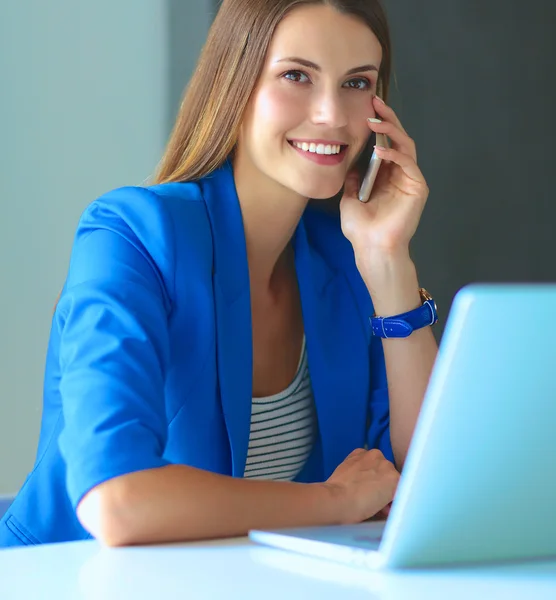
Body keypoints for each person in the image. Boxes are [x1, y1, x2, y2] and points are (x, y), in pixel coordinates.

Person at [0, 0, 438, 548]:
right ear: (237, 82)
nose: (331, 113)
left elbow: (428, 485)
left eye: (356, 83)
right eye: (296, 75)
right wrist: (333, 500)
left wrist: (389, 260)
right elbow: (117, 501)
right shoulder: (132, 235)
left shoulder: (347, 261)